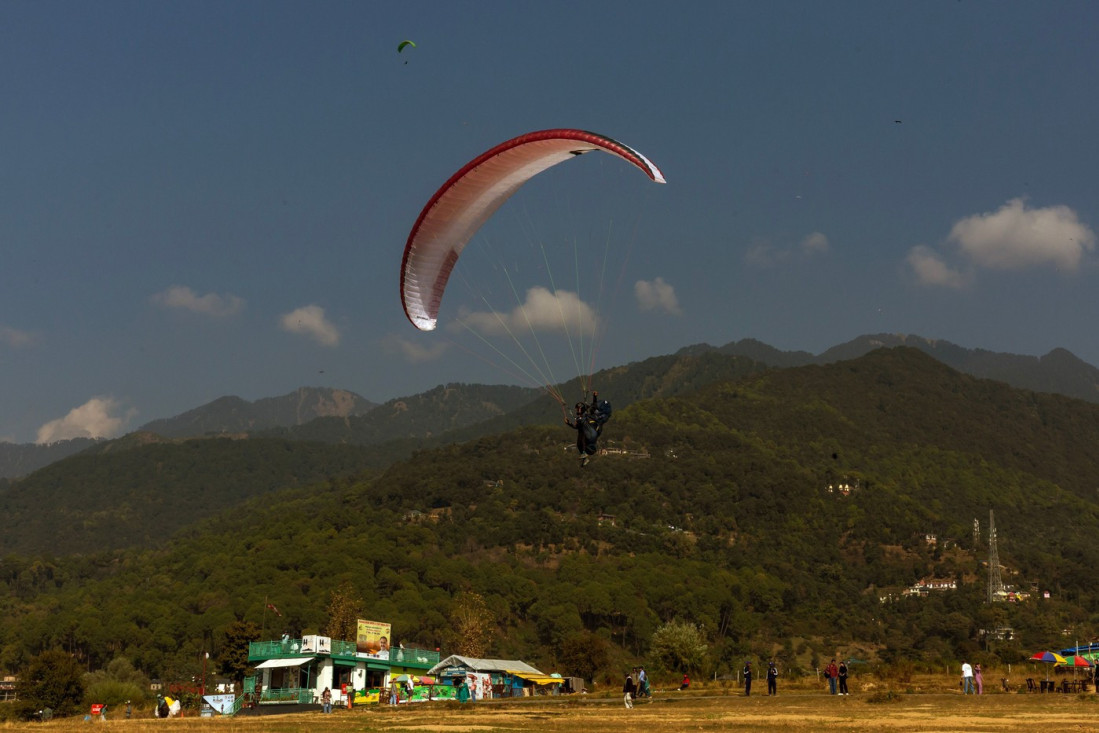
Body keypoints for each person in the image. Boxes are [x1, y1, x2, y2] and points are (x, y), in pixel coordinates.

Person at [564, 392, 610, 467]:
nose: (577, 410)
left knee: (583, 438)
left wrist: (594, 397)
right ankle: (584, 458)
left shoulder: (588, 414)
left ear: (581, 409)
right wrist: (568, 423)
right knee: (579, 443)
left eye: (578, 409)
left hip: (589, 432)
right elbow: (576, 427)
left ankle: (585, 453)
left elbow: (594, 406)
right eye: (576, 409)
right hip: (584, 433)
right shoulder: (579, 418)